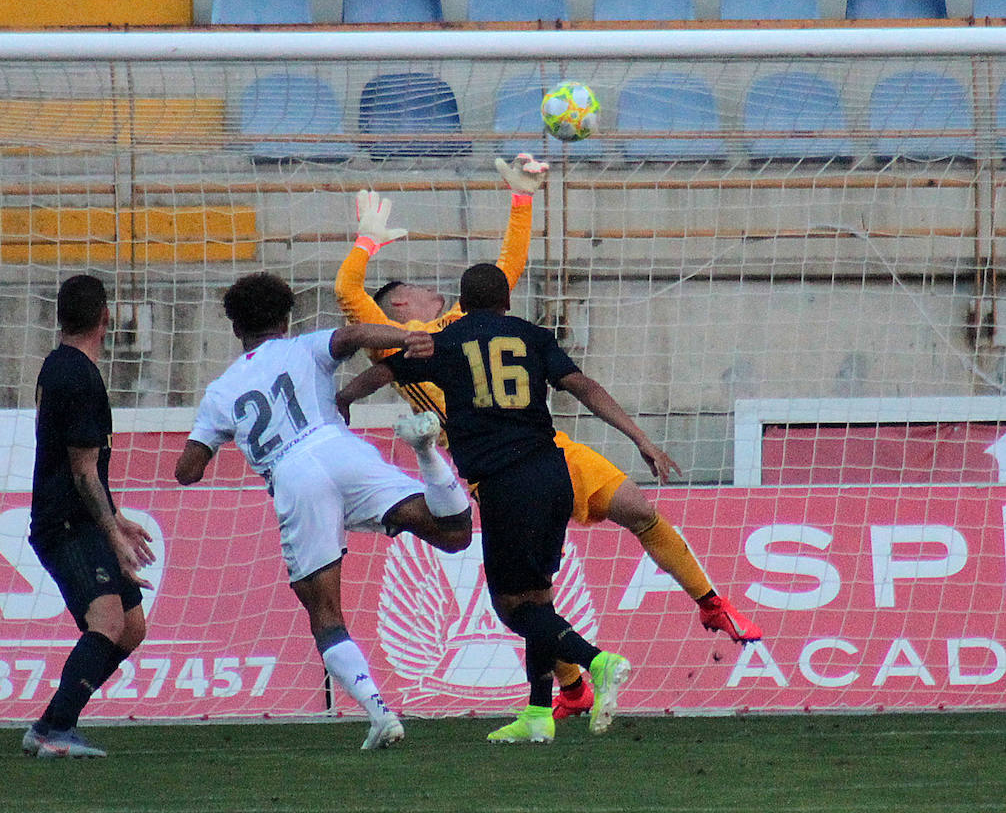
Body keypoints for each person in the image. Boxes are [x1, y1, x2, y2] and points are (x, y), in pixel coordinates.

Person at [333, 155, 762, 727]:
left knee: (635, 512)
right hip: (495, 469)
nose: (431, 289)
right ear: (399, 307)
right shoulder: (403, 342)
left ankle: (709, 603)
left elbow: (507, 266)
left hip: (545, 448)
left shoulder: (468, 325)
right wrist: (365, 244)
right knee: (533, 596)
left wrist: (521, 197)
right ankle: (567, 686)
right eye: (416, 288)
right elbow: (350, 298)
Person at [339, 263, 638, 744]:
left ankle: (598, 662)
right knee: (538, 597)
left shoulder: (448, 342)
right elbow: (584, 387)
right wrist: (639, 437)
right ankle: (539, 713)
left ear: (463, 301)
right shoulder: (533, 336)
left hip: (505, 484)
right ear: (508, 302)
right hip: (553, 474)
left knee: (511, 608)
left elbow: (385, 370)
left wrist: (344, 397)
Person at [174, 272, 473, 750]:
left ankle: (380, 714)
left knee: (325, 612)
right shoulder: (306, 346)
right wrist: (413, 334)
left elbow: (187, 471)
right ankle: (426, 451)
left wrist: (215, 437)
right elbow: (353, 335)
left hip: (291, 478)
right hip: (340, 450)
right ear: (286, 318)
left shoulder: (219, 394)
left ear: (235, 328)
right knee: (455, 533)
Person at [22, 274, 155, 759]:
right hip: (66, 522)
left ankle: (51, 722)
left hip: (81, 516)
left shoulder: (61, 365)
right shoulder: (77, 375)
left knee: (132, 626)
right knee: (106, 619)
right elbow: (81, 472)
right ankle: (57, 730)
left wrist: (115, 518)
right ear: (105, 319)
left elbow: (82, 467)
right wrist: (111, 534)